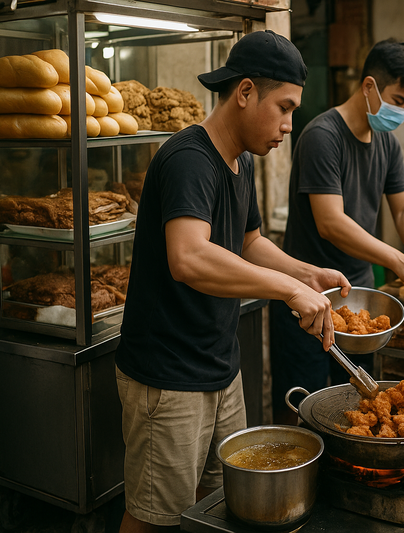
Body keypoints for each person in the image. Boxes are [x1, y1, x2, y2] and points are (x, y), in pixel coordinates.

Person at [114, 31, 351, 532]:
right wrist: (287, 290)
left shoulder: (241, 162)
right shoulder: (188, 159)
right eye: (284, 108)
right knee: (155, 517)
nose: (289, 126)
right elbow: (190, 257)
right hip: (168, 375)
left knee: (218, 505)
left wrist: (305, 273)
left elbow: (248, 243)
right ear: (245, 92)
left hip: (220, 367)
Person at [271, 39, 404, 425]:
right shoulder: (323, 136)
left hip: (361, 307)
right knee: (306, 414)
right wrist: (398, 259)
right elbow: (330, 222)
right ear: (369, 86)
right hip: (307, 300)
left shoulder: (386, 142)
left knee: (361, 412)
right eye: (398, 100)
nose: (402, 111)